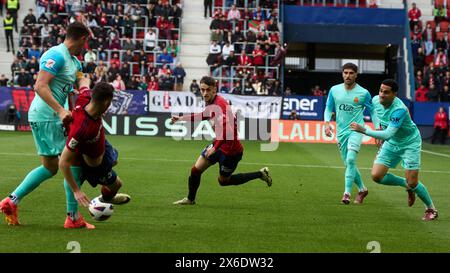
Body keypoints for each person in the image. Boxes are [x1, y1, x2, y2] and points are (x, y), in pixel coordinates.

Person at [0, 22, 90, 226]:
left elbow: (80, 78)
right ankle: (73, 217)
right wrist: (60, 110)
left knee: (50, 167)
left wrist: (84, 88)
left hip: (42, 116)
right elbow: (39, 86)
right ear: (83, 39)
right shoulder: (56, 55)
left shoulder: (74, 61)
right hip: (50, 116)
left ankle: (12, 200)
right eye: (87, 41)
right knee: (72, 161)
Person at [171, 76, 272, 205]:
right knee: (195, 170)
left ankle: (260, 174)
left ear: (214, 90)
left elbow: (228, 131)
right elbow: (203, 115)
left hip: (231, 151)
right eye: (202, 90)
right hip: (218, 144)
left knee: (223, 181)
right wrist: (180, 119)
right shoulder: (211, 102)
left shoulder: (221, 104)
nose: (205, 93)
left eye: (208, 90)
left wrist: (214, 148)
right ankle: (190, 199)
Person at [350, 79, 438, 221]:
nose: (382, 95)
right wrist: (378, 128)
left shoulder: (399, 110)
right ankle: (407, 185)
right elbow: (376, 116)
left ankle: (431, 209)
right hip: (392, 142)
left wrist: (364, 130)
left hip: (409, 143)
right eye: (380, 91)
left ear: (394, 94)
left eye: (386, 92)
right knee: (377, 176)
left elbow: (388, 134)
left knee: (413, 182)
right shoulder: (375, 101)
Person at [59, 80, 131, 229]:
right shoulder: (81, 129)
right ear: (106, 102)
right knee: (117, 184)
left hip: (103, 145)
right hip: (97, 164)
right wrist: (77, 191)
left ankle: (106, 196)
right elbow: (63, 162)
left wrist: (77, 71)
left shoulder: (86, 96)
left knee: (115, 160)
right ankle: (103, 200)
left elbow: (84, 81)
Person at [324, 63, 378, 204]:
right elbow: (329, 107)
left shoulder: (363, 93)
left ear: (356, 74)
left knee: (350, 160)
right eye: (345, 73)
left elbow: (372, 110)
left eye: (351, 73)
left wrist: (377, 130)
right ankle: (362, 189)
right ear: (342, 74)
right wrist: (327, 123)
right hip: (341, 132)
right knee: (349, 164)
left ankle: (346, 193)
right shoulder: (334, 90)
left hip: (356, 130)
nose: (348, 76)